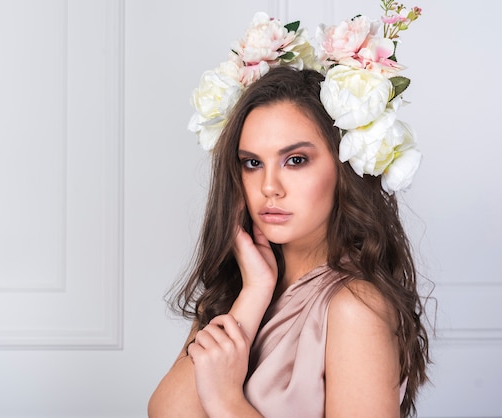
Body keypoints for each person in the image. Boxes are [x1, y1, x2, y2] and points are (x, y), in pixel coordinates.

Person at [149, 4, 430, 417]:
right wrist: (255, 293)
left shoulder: (355, 308)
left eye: (295, 160)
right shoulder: (235, 293)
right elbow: (167, 413)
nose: (268, 187)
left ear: (342, 166)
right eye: (252, 162)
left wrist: (228, 400)